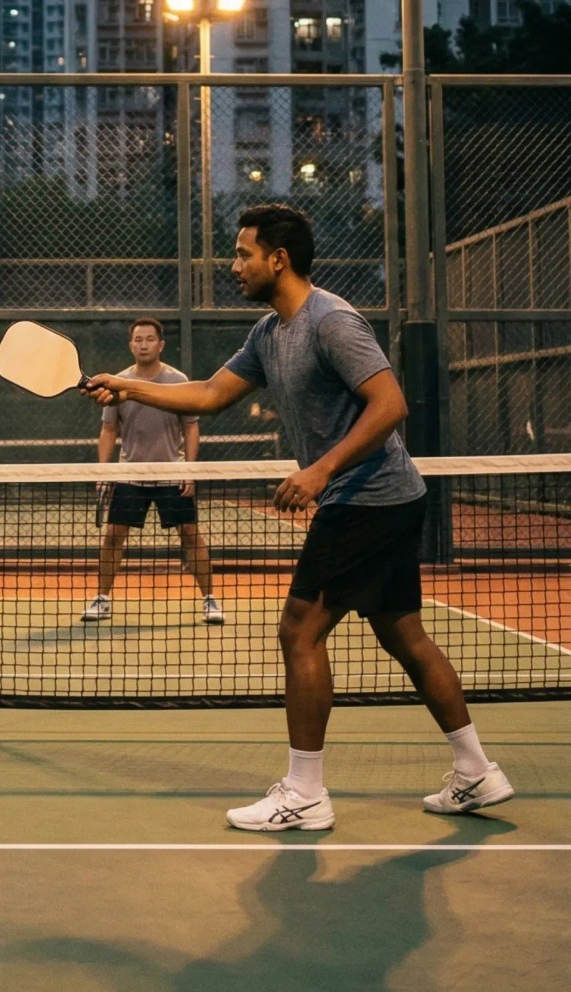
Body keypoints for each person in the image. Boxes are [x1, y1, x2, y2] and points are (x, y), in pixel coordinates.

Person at [87, 204, 514, 831]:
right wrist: (128, 388)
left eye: (242, 254)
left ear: (277, 259)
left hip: (367, 497)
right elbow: (208, 393)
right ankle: (476, 770)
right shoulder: (269, 333)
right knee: (403, 635)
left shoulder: (331, 322)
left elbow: (391, 404)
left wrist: (320, 471)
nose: (233, 266)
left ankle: (306, 792)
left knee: (298, 632)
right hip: (386, 499)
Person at [81, 318, 224, 627]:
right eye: (138, 339)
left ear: (160, 345)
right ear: (131, 345)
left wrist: (190, 471)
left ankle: (210, 600)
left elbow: (191, 427)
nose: (143, 344)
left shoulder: (178, 380)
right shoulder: (118, 382)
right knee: (113, 537)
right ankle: (102, 599)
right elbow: (108, 429)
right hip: (130, 474)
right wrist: (103, 472)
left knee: (190, 535)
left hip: (172, 474)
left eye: (149, 339)